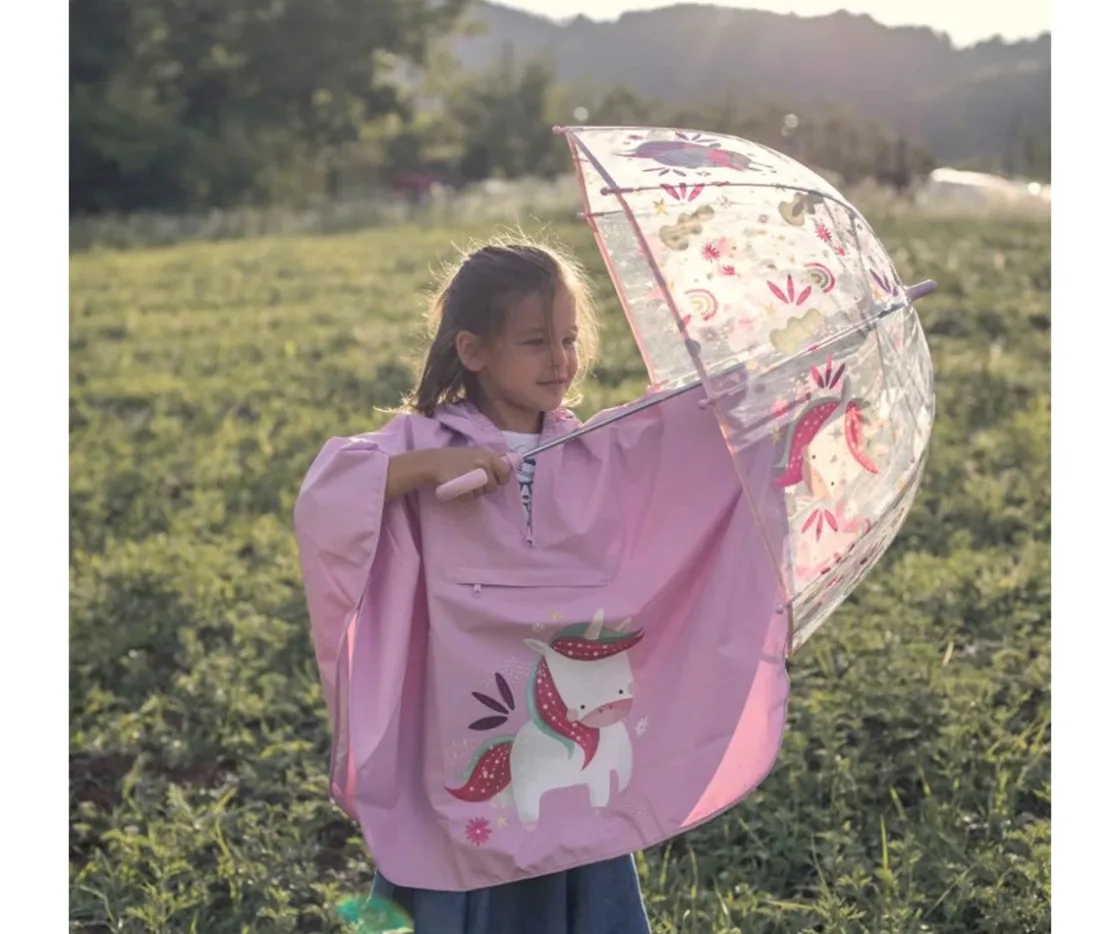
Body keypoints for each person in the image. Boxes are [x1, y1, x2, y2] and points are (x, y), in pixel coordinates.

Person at [293, 238, 792, 934]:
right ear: (473, 350)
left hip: (575, 727)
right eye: (535, 342)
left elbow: (681, 445)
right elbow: (326, 495)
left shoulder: (592, 449)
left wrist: (752, 401)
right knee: (459, 847)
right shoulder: (424, 441)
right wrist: (432, 467)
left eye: (568, 339)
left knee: (572, 821)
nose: (559, 360)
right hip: (457, 711)